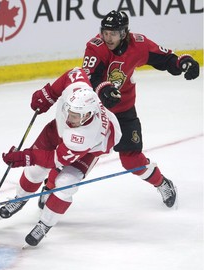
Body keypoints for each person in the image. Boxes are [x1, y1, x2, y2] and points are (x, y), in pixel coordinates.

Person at [81, 10, 199, 208]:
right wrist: (104, 89)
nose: (108, 38)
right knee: (76, 152)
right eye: (105, 32)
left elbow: (165, 59)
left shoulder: (139, 44)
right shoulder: (95, 47)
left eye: (113, 33)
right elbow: (90, 79)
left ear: (124, 33)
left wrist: (182, 62)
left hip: (124, 110)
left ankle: (162, 183)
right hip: (96, 111)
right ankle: (50, 188)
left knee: (131, 161)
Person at [0, 67, 122, 247]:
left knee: (65, 183)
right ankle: (20, 198)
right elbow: (73, 73)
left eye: (74, 116)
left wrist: (25, 156)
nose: (69, 118)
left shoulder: (85, 135)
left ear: (88, 115)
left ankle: (45, 223)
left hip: (89, 150)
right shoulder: (78, 91)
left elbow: (55, 161)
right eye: (69, 111)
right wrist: (48, 94)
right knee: (35, 171)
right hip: (57, 132)